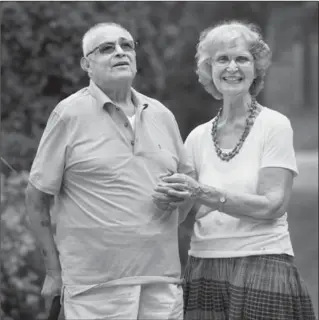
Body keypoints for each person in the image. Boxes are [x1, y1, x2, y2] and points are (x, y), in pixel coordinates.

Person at [25, 22, 194, 320]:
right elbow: (36, 198)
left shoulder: (162, 115)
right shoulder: (67, 115)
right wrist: (53, 271)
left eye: (126, 45)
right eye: (107, 48)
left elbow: (189, 186)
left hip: (162, 285)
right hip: (95, 290)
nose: (120, 52)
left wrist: (180, 198)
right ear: (86, 64)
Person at [153, 20, 316, 319]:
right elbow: (180, 214)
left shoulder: (274, 126)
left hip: (263, 263)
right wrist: (164, 197)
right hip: (204, 266)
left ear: (256, 68)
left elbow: (272, 205)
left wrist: (203, 193)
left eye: (242, 58)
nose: (232, 67)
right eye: (222, 59)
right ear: (209, 70)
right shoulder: (197, 137)